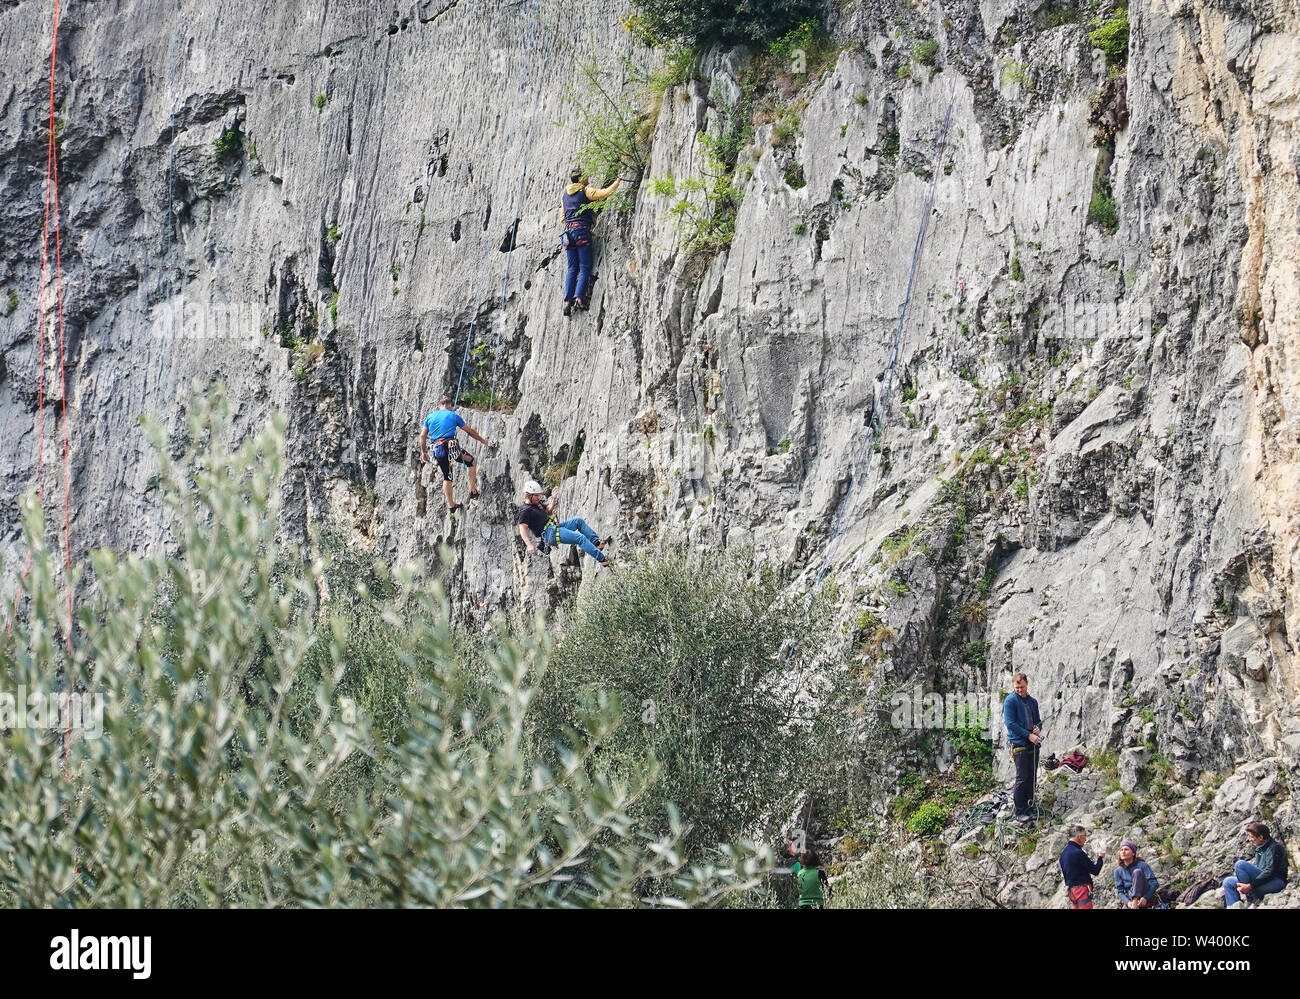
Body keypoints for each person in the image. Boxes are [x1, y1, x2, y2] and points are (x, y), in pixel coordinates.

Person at [559, 167, 622, 316]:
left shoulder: (564, 196)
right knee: (585, 266)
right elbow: (604, 193)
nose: (588, 179)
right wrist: (618, 181)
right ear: (581, 179)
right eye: (586, 177)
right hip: (582, 232)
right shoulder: (585, 191)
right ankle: (579, 298)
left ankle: (568, 300)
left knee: (572, 268)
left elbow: (563, 218)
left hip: (568, 234)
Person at [420, 395, 492, 512]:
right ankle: (472, 490)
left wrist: (424, 452)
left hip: (437, 450)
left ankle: (451, 504)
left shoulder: (429, 417)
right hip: (451, 447)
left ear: (439, 406)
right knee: (471, 461)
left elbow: (423, 435)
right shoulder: (453, 415)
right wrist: (482, 440)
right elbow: (468, 431)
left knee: (447, 476)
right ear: (449, 406)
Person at [516, 480, 611, 567]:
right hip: (549, 534)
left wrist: (553, 503)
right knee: (580, 538)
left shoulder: (537, 503)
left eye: (538, 495)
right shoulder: (525, 511)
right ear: (529, 495)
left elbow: (547, 511)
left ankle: (597, 543)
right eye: (536, 495)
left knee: (578, 522)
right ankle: (602, 559)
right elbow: (522, 528)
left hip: (554, 527)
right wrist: (528, 544)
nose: (538, 497)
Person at [1002, 672, 1042, 823]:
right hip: (1019, 744)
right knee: (1022, 777)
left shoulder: (1032, 702)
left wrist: (1037, 729)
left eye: (1022, 687)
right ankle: (1019, 811)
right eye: (1017, 687)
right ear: (1014, 686)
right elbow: (1011, 724)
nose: (1020, 690)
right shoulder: (1010, 701)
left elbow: (1038, 721)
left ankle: (1029, 806)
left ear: (1027, 685)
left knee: (1032, 776)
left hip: (1032, 743)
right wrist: (1028, 735)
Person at [1223, 821, 1289, 907]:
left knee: (1240, 864)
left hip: (1276, 882)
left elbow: (1270, 872)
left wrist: (1250, 886)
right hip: (1260, 883)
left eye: (1252, 837)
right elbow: (1257, 869)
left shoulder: (1275, 848)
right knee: (1228, 882)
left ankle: (1251, 896)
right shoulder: (1260, 849)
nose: (1250, 839)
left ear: (1261, 837)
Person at [1060, 824, 1105, 909]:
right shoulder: (1078, 853)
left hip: (1072, 892)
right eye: (1085, 836)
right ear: (1079, 837)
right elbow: (1095, 871)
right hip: (1082, 890)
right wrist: (1100, 857)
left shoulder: (1063, 854)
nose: (1085, 839)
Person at [1113, 840, 1159, 908]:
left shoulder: (1142, 865)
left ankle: (1135, 900)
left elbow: (1154, 883)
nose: (1123, 852)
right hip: (1130, 897)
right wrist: (1127, 902)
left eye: (1126, 849)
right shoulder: (1118, 871)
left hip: (1144, 893)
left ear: (1133, 853)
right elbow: (1120, 892)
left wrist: (1145, 897)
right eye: (1121, 850)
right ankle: (1134, 902)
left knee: (1137, 872)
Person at [785, 845, 832, 910]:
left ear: (802, 860)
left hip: (803, 905)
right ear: (816, 860)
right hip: (818, 904)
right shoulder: (820, 873)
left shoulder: (799, 873)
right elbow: (827, 890)